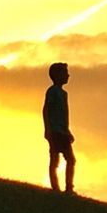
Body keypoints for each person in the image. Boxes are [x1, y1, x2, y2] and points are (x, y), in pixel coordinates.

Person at [42, 62, 75, 194]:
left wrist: (68, 131)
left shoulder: (64, 93)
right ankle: (55, 187)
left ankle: (68, 187)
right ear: (57, 75)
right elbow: (46, 110)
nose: (68, 75)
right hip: (55, 131)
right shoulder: (52, 91)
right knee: (55, 160)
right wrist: (48, 129)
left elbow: (64, 116)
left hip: (63, 132)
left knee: (71, 159)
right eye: (65, 73)